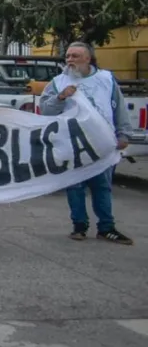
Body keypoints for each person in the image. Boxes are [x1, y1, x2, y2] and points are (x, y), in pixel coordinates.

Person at [39, 42, 133, 245]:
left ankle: (106, 228)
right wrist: (61, 97)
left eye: (75, 56)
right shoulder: (58, 82)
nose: (70, 60)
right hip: (73, 144)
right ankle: (79, 226)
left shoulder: (106, 79)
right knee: (75, 186)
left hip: (103, 144)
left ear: (88, 59)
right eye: (68, 56)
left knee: (102, 186)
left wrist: (124, 134)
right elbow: (46, 110)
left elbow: (119, 108)